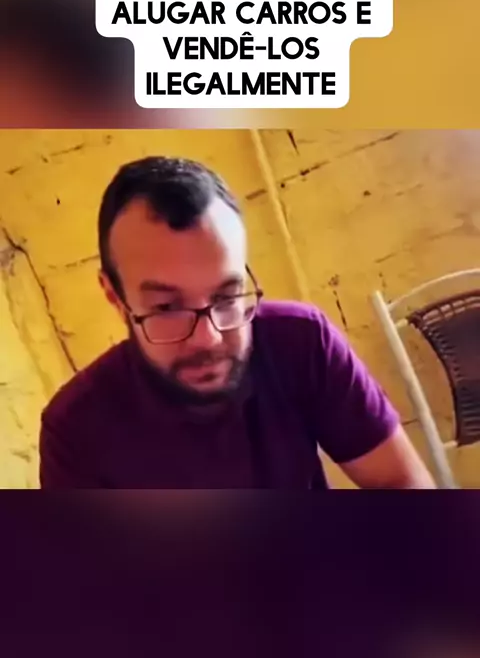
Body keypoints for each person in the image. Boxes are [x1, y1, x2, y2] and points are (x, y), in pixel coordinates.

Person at [39, 156, 436, 488]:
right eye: (166, 307)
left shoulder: (299, 341)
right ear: (115, 297)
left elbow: (403, 486)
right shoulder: (76, 430)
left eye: (227, 296)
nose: (209, 339)